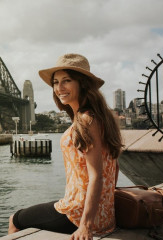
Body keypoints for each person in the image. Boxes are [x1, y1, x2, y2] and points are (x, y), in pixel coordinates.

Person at [8, 53, 122, 239]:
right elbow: (114, 167)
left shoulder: (86, 120)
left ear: (82, 83)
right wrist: (105, 205)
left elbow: (97, 176)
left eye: (66, 80)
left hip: (80, 215)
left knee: (15, 219)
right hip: (103, 215)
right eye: (55, 82)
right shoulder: (101, 118)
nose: (59, 88)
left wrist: (85, 226)